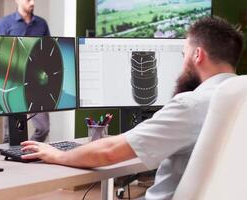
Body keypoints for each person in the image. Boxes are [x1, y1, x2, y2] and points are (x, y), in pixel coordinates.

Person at [20, 17, 244, 199]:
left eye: (183, 53)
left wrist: (58, 155)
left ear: (197, 54)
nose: (182, 60)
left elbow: (109, 152)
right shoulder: (240, 100)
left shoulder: (192, 104)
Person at [0, 0, 50, 142]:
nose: (32, 2)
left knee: (43, 128)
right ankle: (10, 161)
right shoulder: (4, 24)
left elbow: (49, 50)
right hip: (14, 83)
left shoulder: (42, 24)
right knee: (11, 134)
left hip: (37, 83)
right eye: (28, 0)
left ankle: (28, 150)